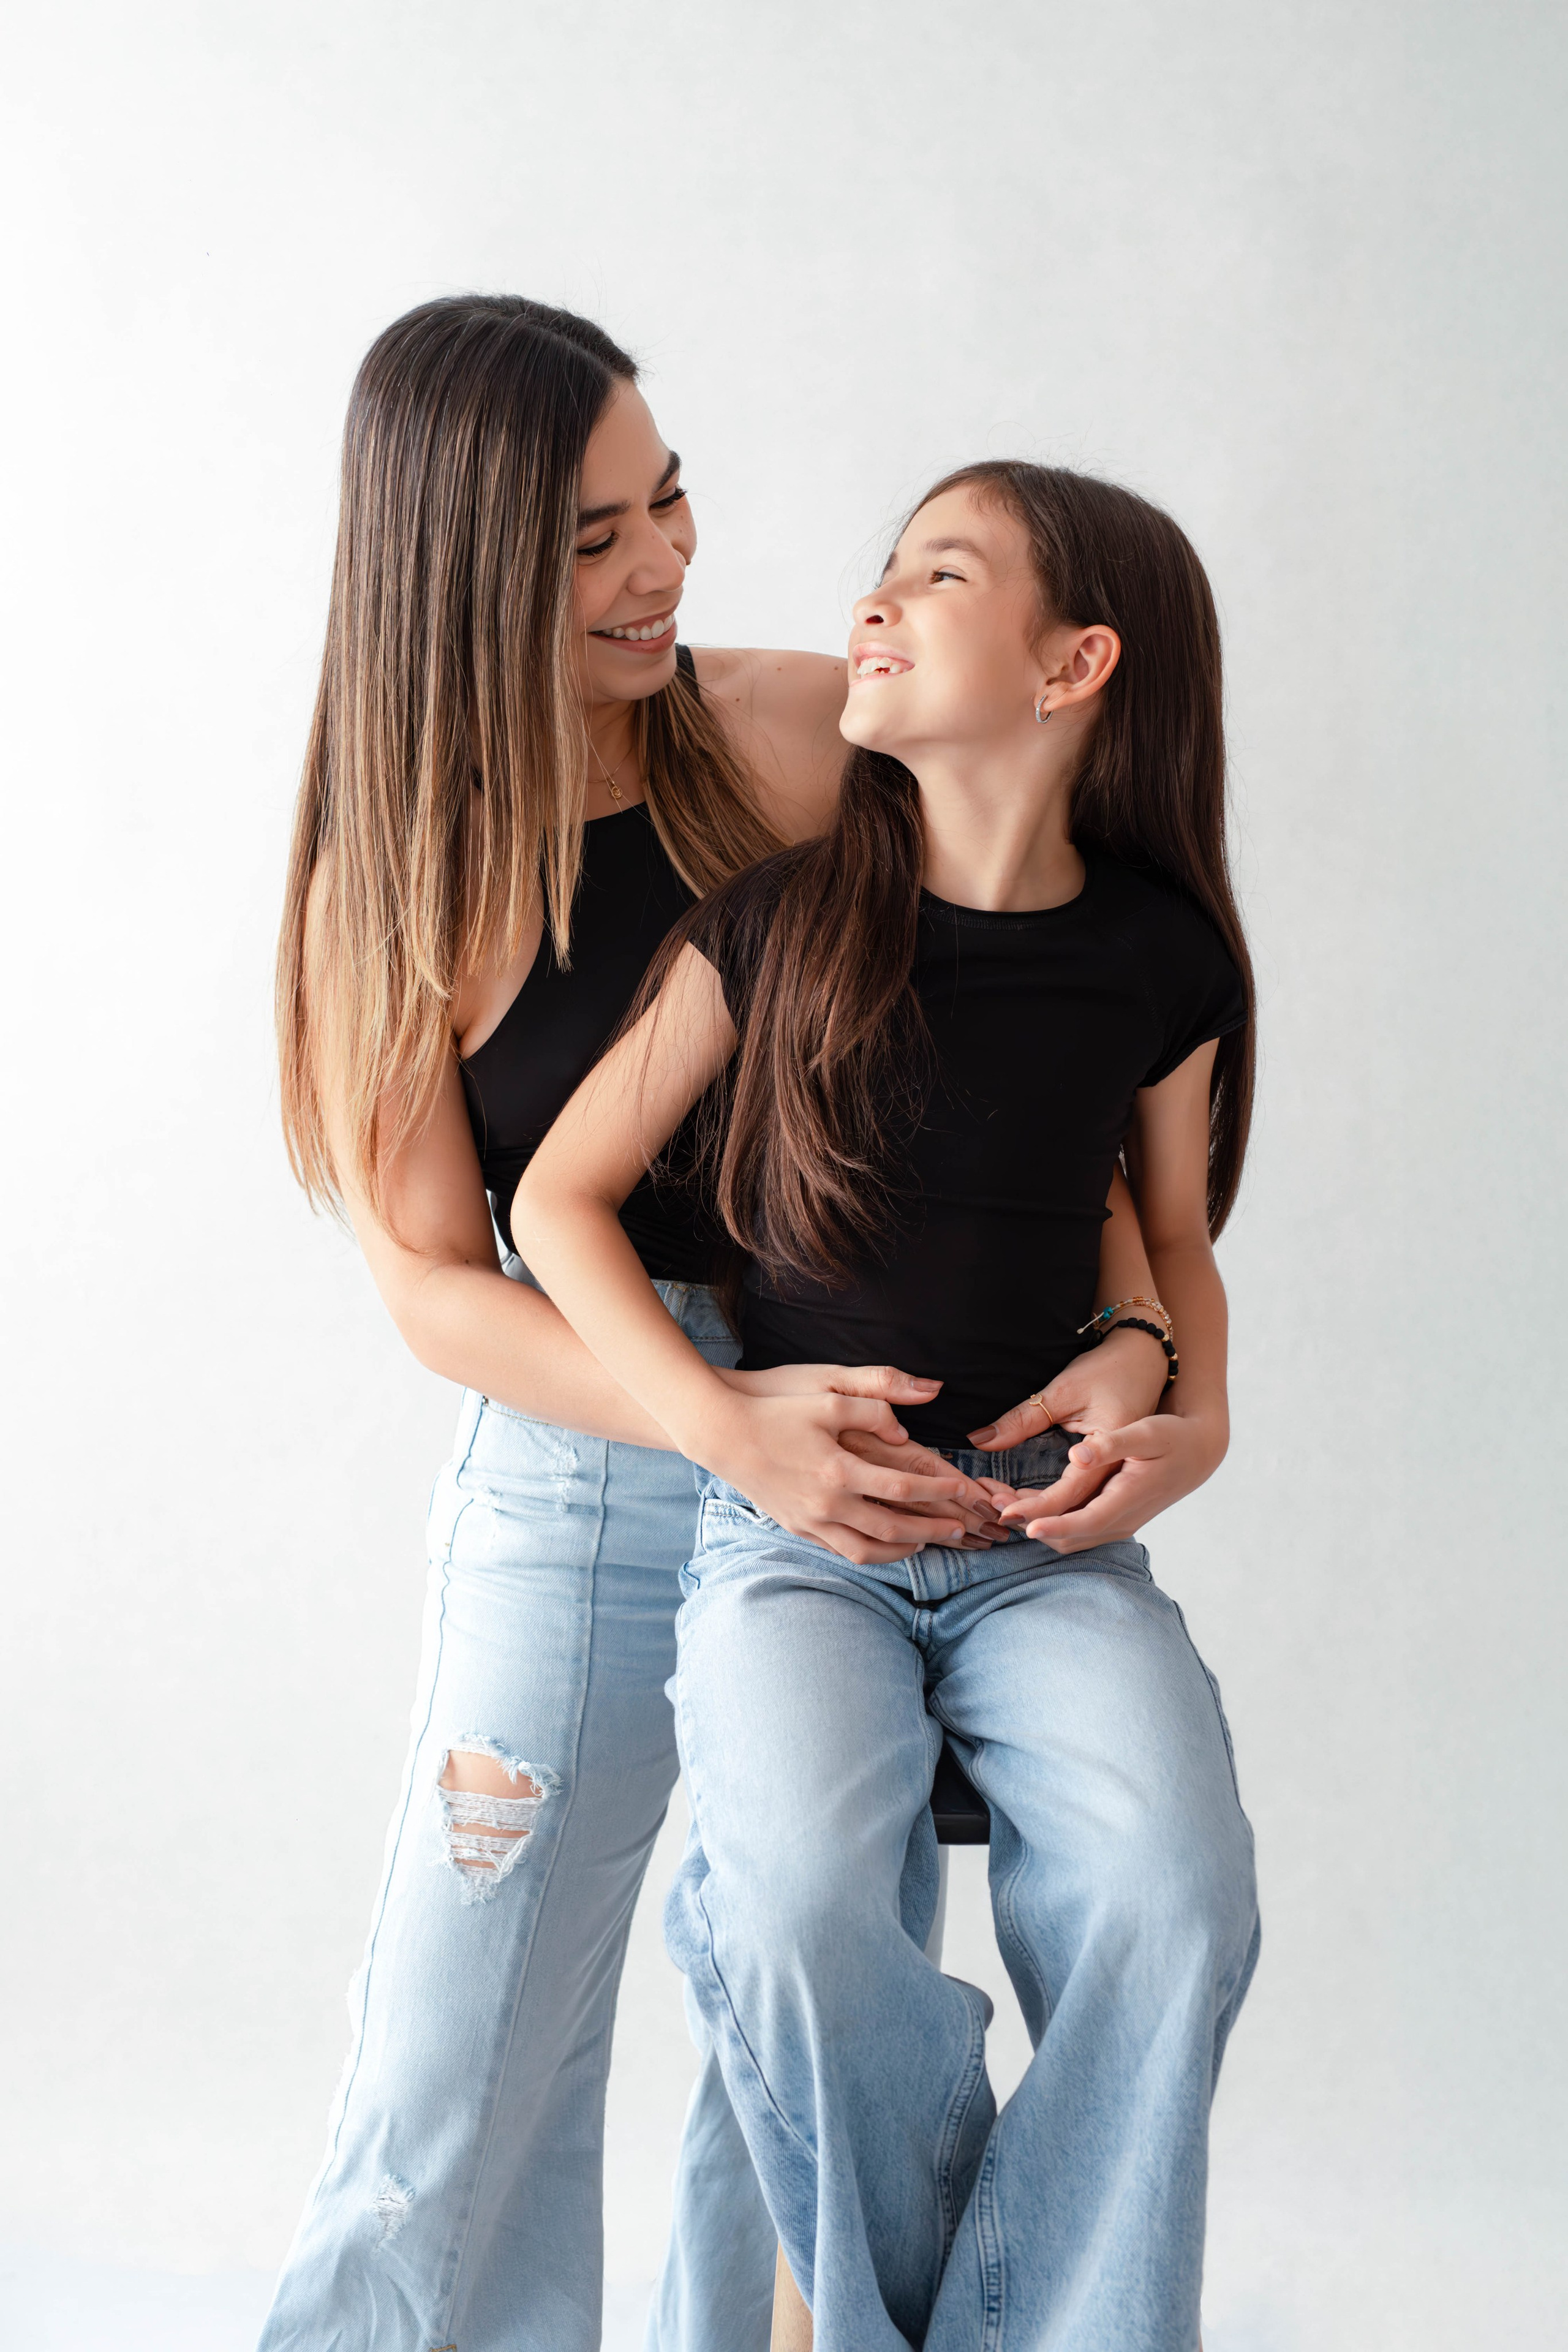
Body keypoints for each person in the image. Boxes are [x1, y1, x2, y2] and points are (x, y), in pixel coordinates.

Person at [261, 301, 1189, 2352]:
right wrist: (709, 1414)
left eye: (667, 500)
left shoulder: (798, 739)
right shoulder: (392, 878)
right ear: (458, 567)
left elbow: (1053, 1066)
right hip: (586, 1455)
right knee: (453, 2062)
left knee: (804, 2031)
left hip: (870, 1448)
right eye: (593, 538)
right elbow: (436, 1282)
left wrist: (1143, 1337)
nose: (665, 562)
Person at [515, 459, 1262, 2351]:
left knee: (1175, 1895)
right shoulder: (772, 926)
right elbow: (559, 1200)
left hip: (1044, 1551)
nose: (873, 600)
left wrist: (1190, 1410)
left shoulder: (1160, 960)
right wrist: (717, 1421)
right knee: (783, 1912)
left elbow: (1178, 1241)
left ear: (1075, 664)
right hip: (795, 1549)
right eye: (887, 570)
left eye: (938, 575)